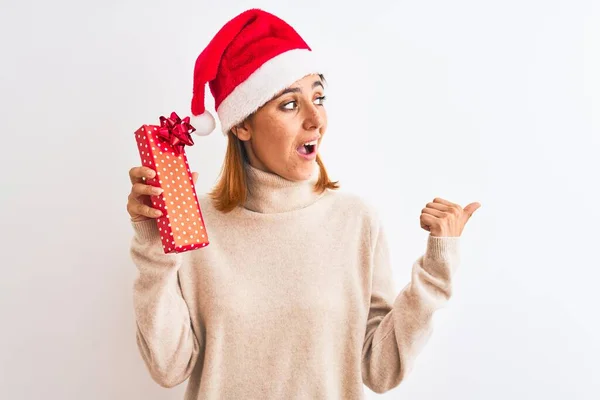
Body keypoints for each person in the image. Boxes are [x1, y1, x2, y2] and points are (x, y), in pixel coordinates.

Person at [126, 8, 480, 400]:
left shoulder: (356, 221)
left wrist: (436, 269)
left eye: (319, 97)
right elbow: (169, 367)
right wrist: (154, 246)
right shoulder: (197, 226)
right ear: (242, 124)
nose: (316, 120)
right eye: (290, 105)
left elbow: (380, 370)